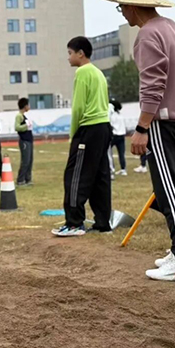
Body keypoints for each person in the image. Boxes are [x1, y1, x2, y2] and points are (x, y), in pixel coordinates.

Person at [101, 0, 175, 282]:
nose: (122, 12)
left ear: (133, 6)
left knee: (168, 189)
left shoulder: (148, 35)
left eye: (121, 7)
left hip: (163, 121)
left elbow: (153, 83)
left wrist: (142, 126)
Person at [52, 36, 112, 237]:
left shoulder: (83, 72)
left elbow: (78, 107)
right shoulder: (98, 73)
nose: (68, 57)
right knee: (100, 175)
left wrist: (74, 135)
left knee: (75, 175)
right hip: (104, 126)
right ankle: (103, 222)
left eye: (70, 53)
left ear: (81, 53)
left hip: (89, 128)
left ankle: (74, 223)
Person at [15, 97, 34, 186]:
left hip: (29, 140)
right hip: (24, 141)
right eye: (28, 105)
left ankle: (28, 179)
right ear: (25, 106)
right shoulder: (19, 116)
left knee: (30, 160)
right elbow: (17, 127)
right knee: (25, 161)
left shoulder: (24, 116)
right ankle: (20, 179)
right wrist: (26, 126)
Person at [109, 99, 127, 176]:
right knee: (121, 153)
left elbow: (110, 125)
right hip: (122, 135)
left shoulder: (111, 115)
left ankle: (111, 170)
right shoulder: (120, 114)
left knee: (109, 153)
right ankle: (123, 170)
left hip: (114, 135)